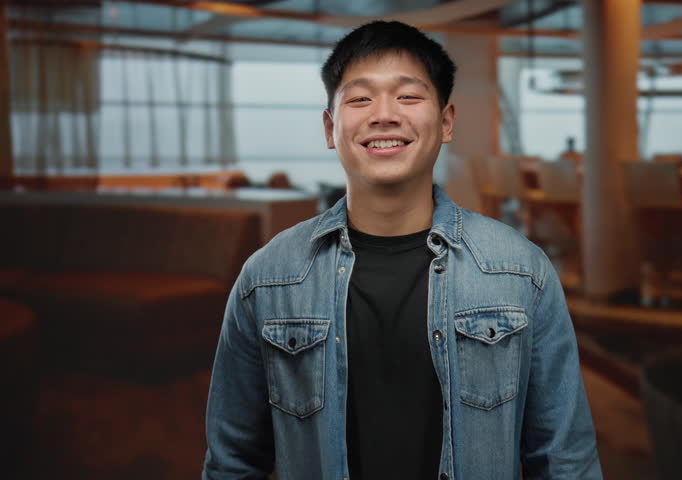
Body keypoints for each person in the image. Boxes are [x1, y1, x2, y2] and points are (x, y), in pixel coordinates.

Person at [202, 20, 602, 480]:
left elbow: (565, 461)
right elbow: (232, 463)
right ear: (330, 128)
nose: (384, 115)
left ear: (446, 122)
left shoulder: (521, 272)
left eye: (408, 96)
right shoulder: (268, 278)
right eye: (360, 99)